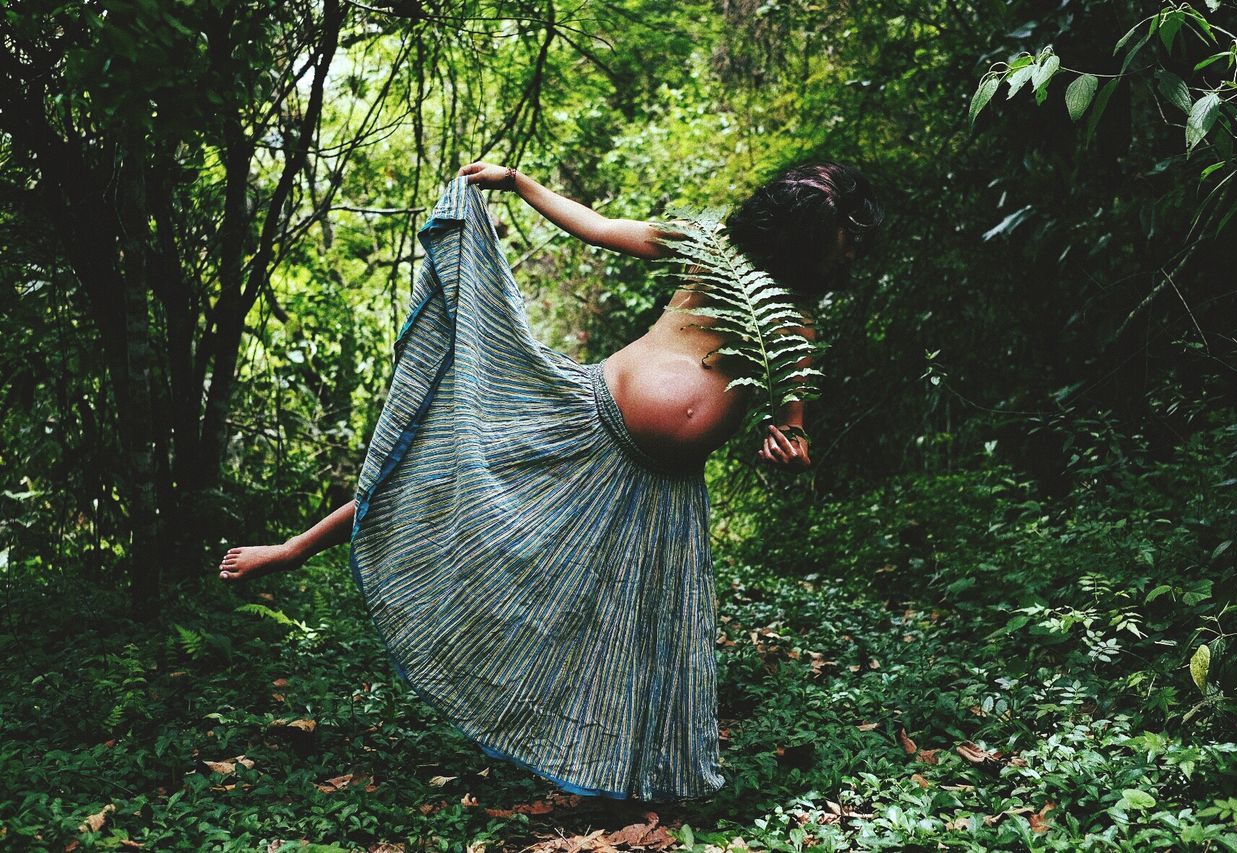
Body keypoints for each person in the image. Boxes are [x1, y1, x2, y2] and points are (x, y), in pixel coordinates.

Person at [216, 160, 882, 802]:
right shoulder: (705, 249)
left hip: (659, 491)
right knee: (443, 469)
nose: (848, 259)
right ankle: (294, 547)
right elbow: (599, 225)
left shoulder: (790, 326)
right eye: (843, 244)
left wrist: (787, 447)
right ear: (801, 238)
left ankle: (621, 765)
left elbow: (794, 428)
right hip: (584, 417)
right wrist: (518, 183)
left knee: (633, 632)